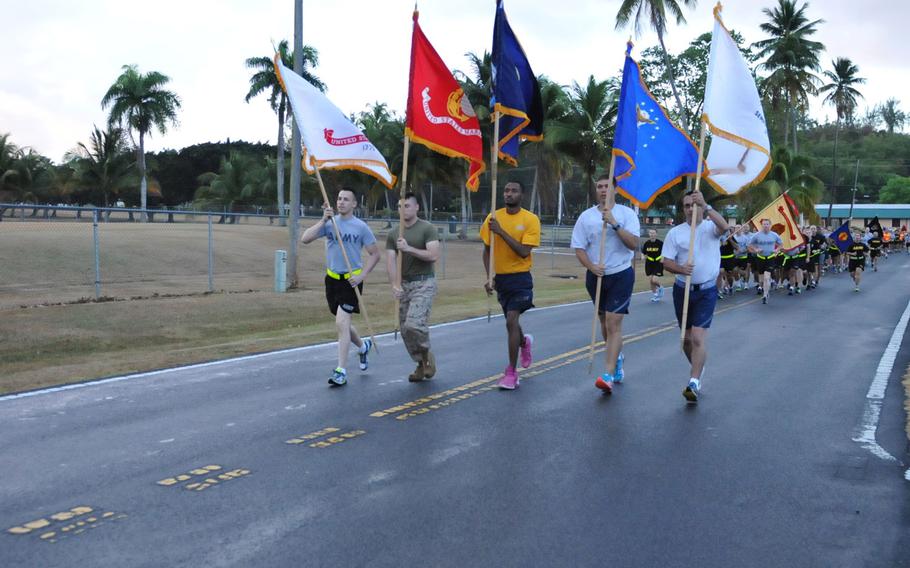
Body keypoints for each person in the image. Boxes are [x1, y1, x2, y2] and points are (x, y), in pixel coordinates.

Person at [301, 187, 380, 387]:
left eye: (346, 199)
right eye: (339, 199)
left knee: (341, 323)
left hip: (351, 281)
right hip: (332, 279)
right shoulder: (330, 224)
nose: (341, 202)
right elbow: (305, 239)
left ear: (354, 204)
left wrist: (361, 275)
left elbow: (375, 254)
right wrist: (323, 220)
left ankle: (341, 371)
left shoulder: (361, 227)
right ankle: (363, 347)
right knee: (342, 323)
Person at [571, 174, 640, 394]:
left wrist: (615, 224)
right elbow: (579, 248)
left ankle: (608, 374)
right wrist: (591, 267)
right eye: (599, 186)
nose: (602, 190)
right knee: (603, 323)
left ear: (615, 190)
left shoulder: (626, 214)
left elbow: (633, 244)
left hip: (620, 274)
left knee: (613, 323)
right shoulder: (586, 217)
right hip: (596, 276)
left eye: (606, 186)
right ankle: (617, 358)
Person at [661, 189, 729, 403]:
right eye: (687, 206)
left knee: (698, 337)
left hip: (706, 291)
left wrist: (707, 206)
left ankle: (693, 382)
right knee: (686, 340)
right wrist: (681, 269)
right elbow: (666, 262)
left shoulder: (710, 228)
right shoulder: (676, 233)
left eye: (694, 204)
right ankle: (698, 366)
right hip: (682, 290)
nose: (690, 209)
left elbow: (725, 227)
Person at [481, 180, 541, 390]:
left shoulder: (530, 219)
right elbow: (487, 250)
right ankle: (524, 342)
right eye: (506, 190)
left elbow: (524, 251)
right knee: (511, 322)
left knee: (511, 320)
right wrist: (489, 277)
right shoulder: (493, 218)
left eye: (514, 190)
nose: (509, 194)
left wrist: (502, 232)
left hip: (521, 278)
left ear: (521, 195)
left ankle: (511, 373)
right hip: (502, 279)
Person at [386, 192, 440, 382]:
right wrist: (394, 284)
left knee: (414, 324)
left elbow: (433, 255)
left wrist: (409, 249)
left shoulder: (427, 228)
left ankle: (426, 353)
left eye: (407, 205)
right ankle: (420, 363)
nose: (403, 210)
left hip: (424, 282)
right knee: (405, 330)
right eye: (400, 206)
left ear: (416, 207)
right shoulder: (394, 233)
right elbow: (391, 261)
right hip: (405, 284)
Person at [747, 219, 783, 304]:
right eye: (764, 224)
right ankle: (765, 288)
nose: (765, 226)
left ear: (770, 225)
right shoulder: (757, 235)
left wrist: (776, 250)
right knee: (762, 278)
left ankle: (765, 294)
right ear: (761, 225)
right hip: (760, 258)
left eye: (767, 224)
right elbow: (749, 245)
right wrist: (756, 250)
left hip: (770, 258)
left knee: (767, 277)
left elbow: (781, 245)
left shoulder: (774, 235)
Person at [641, 228, 664, 302]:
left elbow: (664, 252)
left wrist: (662, 259)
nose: (652, 234)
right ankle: (655, 295)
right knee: (651, 281)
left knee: (654, 280)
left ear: (656, 234)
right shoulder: (647, 243)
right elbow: (643, 252)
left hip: (658, 262)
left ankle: (661, 288)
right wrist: (642, 256)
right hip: (649, 263)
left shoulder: (660, 243)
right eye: (650, 233)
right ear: (649, 234)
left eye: (653, 233)